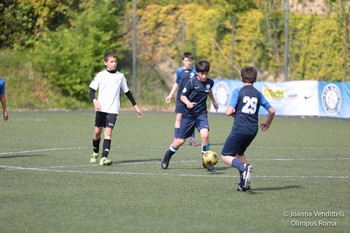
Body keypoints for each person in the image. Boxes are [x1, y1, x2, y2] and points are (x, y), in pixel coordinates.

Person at [221, 66, 275, 192]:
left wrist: (234, 113)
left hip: (240, 128)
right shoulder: (258, 93)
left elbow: (228, 112)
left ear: (241, 78)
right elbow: (272, 111)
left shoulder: (237, 91)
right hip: (253, 130)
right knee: (240, 153)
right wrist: (267, 123)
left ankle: (243, 168)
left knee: (225, 155)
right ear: (255, 80)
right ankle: (244, 184)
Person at [161, 60, 219, 171]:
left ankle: (206, 161)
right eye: (202, 73)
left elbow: (208, 90)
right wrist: (188, 103)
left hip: (201, 114)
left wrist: (214, 101)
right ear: (197, 72)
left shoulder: (210, 82)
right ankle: (168, 155)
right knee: (181, 141)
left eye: (206, 73)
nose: (204, 76)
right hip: (188, 115)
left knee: (205, 135)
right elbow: (182, 96)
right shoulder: (191, 82)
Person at [89, 52, 142, 166]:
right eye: (111, 62)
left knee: (108, 133)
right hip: (101, 109)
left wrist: (136, 107)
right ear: (105, 63)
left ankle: (104, 158)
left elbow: (127, 92)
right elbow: (92, 91)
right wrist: (94, 100)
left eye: (115, 61)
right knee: (97, 132)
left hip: (113, 109)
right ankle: (95, 153)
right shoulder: (100, 75)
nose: (114, 64)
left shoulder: (120, 76)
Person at [166, 52, 198, 146]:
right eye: (187, 61)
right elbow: (176, 83)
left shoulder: (194, 71)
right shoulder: (179, 71)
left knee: (192, 118)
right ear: (183, 61)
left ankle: (192, 139)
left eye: (190, 61)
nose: (188, 62)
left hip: (191, 99)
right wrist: (170, 95)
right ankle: (176, 138)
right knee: (179, 118)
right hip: (180, 98)